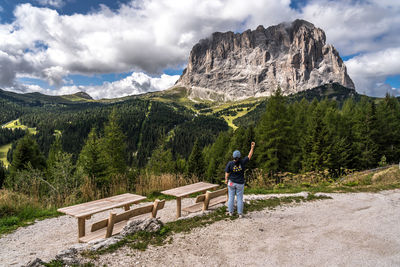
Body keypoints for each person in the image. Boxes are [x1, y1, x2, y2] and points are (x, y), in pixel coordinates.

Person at [225, 141, 255, 218]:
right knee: (239, 198)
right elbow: (249, 156)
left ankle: (230, 212)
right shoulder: (242, 162)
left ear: (233, 157)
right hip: (240, 183)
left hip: (231, 183)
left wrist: (226, 179)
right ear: (240, 156)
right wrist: (252, 147)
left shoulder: (230, 163)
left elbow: (227, 173)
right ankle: (240, 214)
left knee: (231, 197)